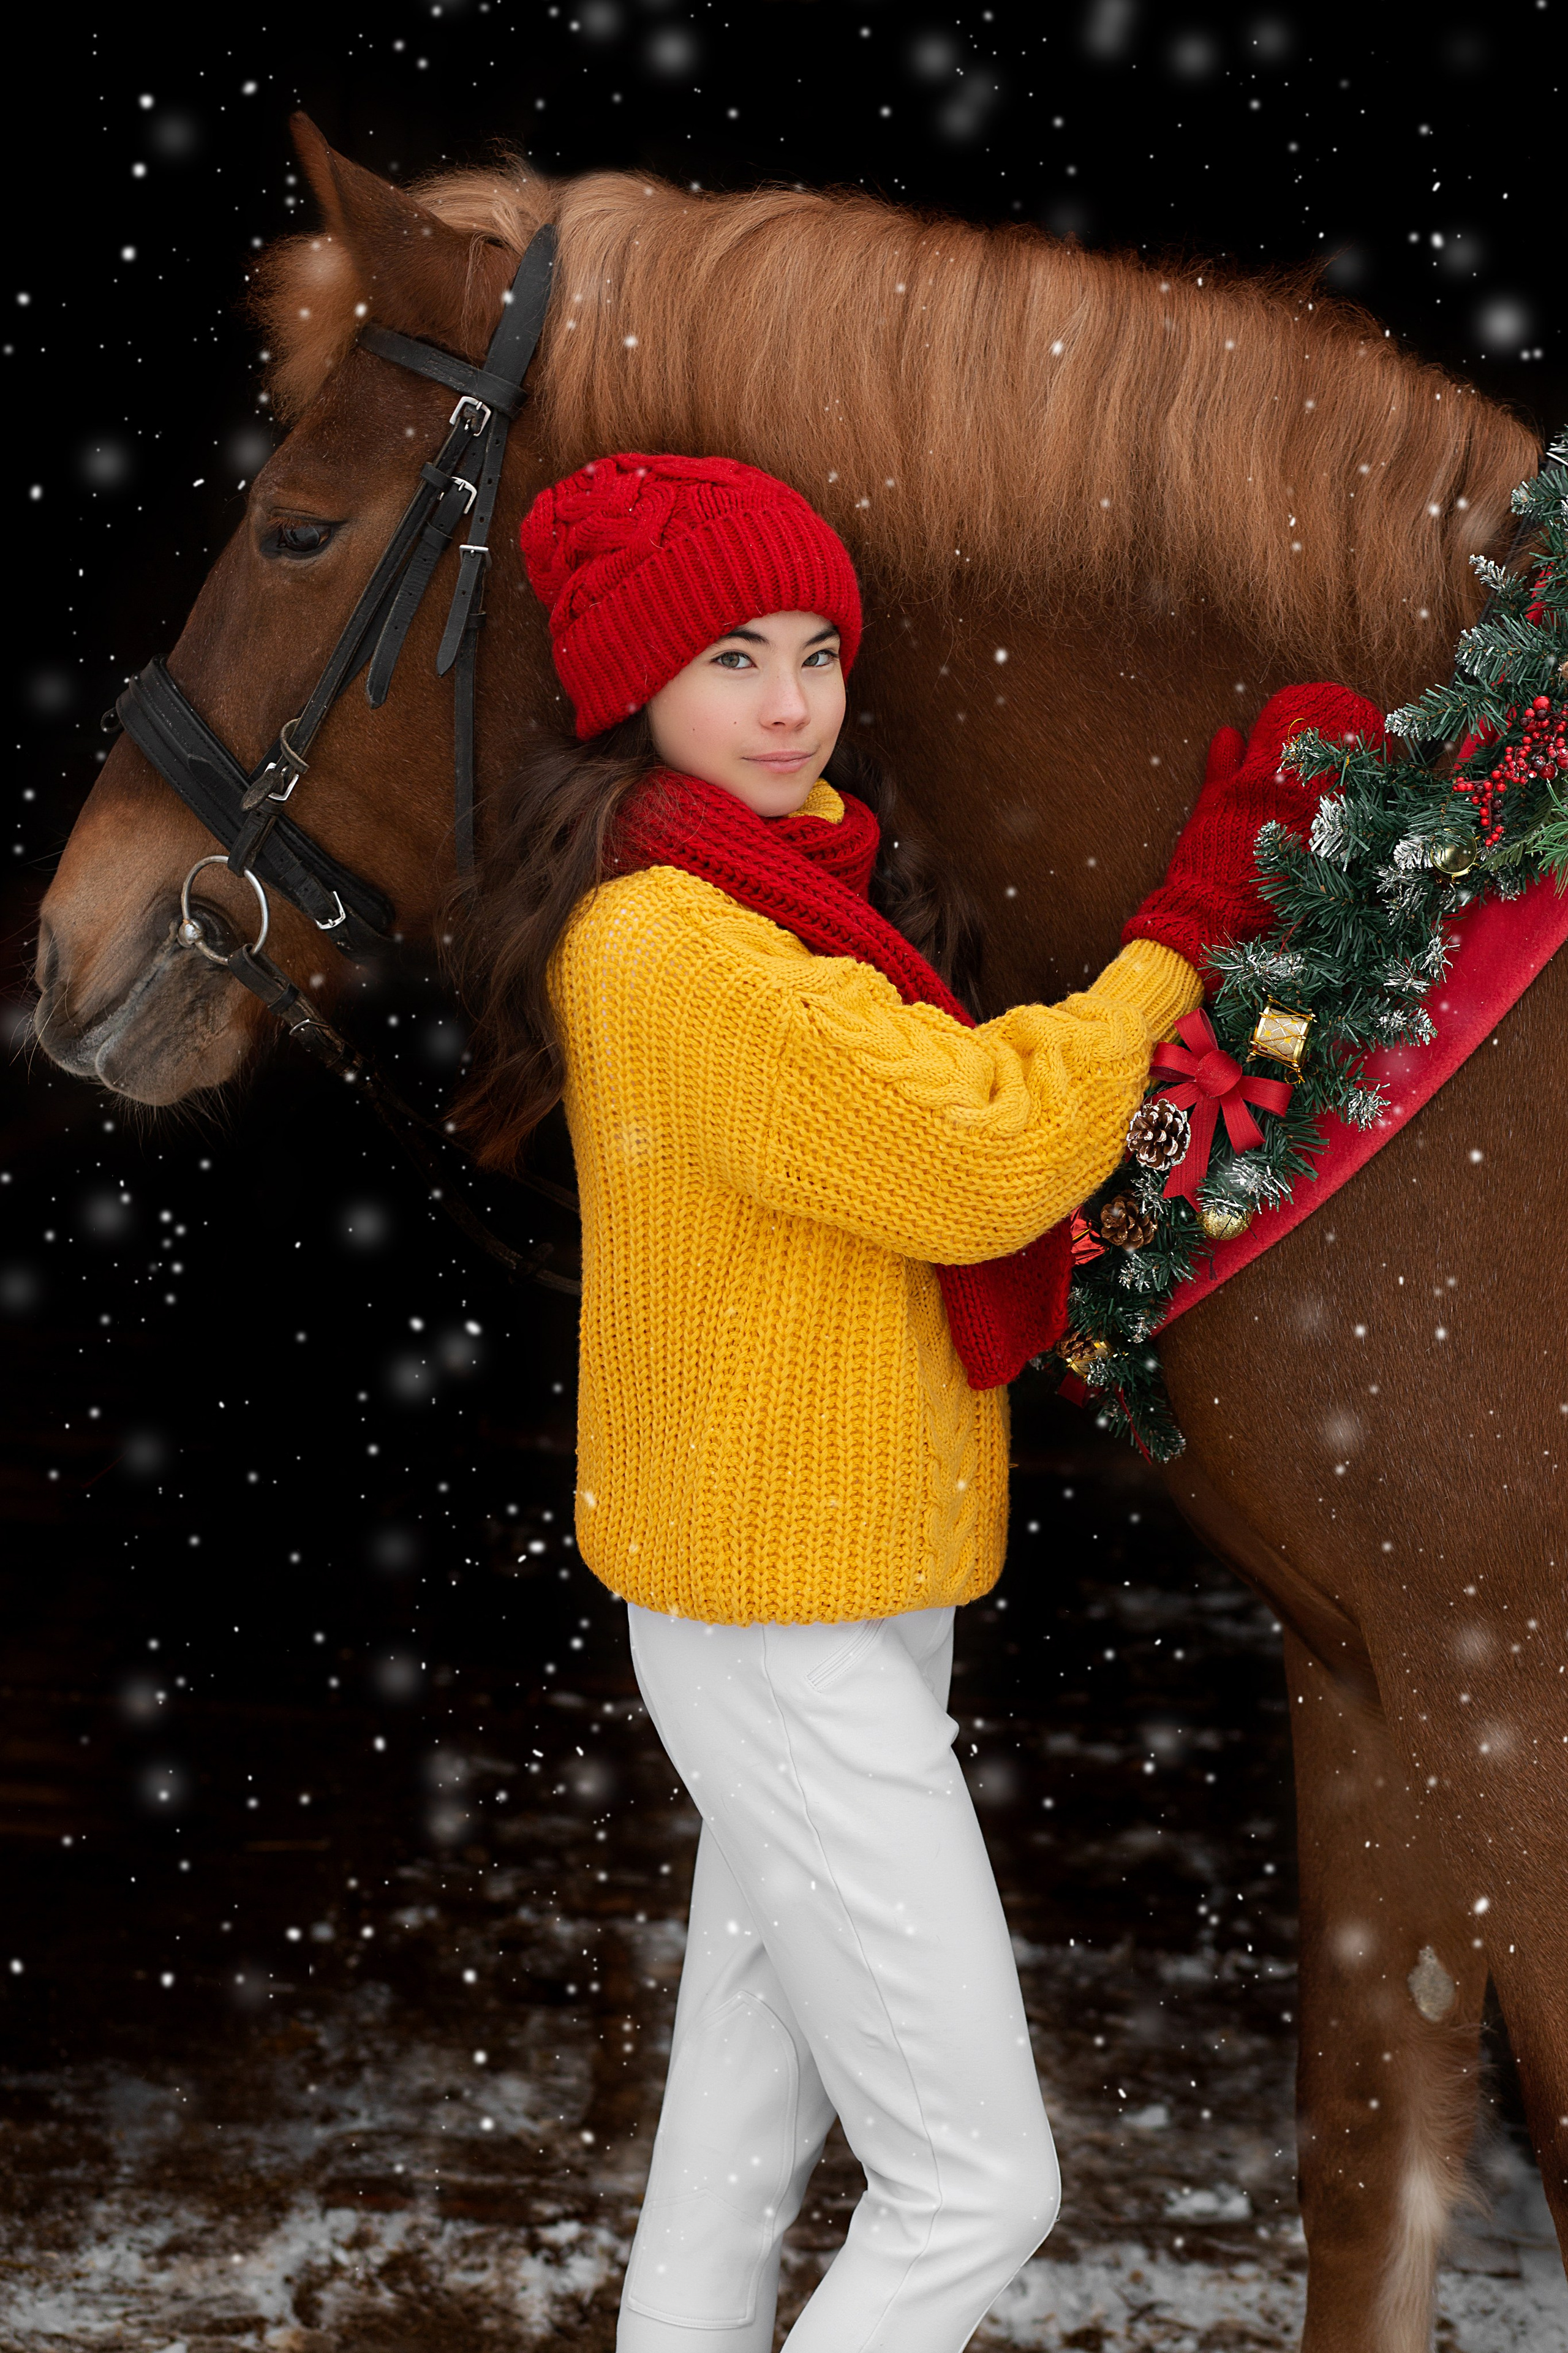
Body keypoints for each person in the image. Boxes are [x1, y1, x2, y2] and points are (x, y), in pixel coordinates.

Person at [452, 451, 1338, 2353]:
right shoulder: (682, 948)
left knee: (738, 2142)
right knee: (977, 2182)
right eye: (730, 662)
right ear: (634, 694)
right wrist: (1193, 922)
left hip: (823, 1580)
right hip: (779, 1622)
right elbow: (984, 1149)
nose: (787, 705)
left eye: (813, 654)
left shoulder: (776, 898)